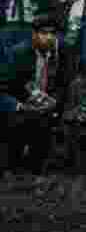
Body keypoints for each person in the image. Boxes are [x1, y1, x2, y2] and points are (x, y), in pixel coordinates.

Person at [0, 14, 60, 175]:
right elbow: (6, 87)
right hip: (21, 107)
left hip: (46, 107)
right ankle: (13, 165)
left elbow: (61, 84)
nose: (49, 38)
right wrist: (22, 106)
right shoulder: (18, 54)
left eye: (52, 34)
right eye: (44, 33)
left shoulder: (57, 54)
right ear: (34, 35)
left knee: (45, 121)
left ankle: (38, 168)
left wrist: (53, 101)